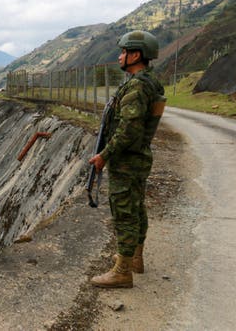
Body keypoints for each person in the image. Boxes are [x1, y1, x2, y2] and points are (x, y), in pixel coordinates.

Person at [88, 30, 166, 288]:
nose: (120, 56)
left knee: (124, 211)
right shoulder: (150, 81)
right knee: (136, 206)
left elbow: (128, 129)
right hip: (139, 157)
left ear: (136, 55)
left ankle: (122, 271)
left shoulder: (136, 87)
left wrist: (104, 155)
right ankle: (135, 258)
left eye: (124, 52)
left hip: (127, 159)